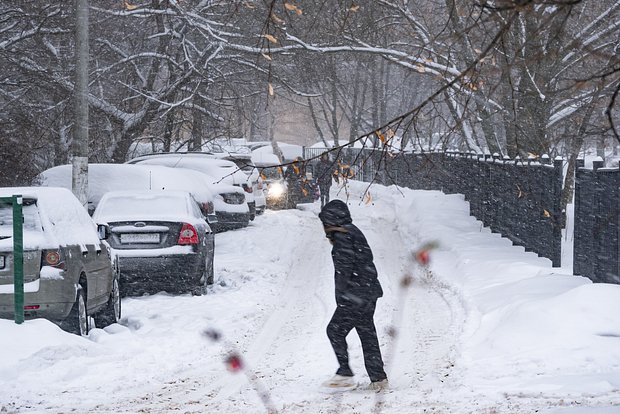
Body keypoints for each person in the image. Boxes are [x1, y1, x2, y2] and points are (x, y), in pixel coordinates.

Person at [318, 199, 388, 391]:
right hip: (368, 292)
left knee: (334, 330)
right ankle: (378, 379)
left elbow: (344, 269)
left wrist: (343, 298)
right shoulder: (353, 231)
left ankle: (345, 373)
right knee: (367, 333)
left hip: (355, 296)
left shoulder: (343, 238)